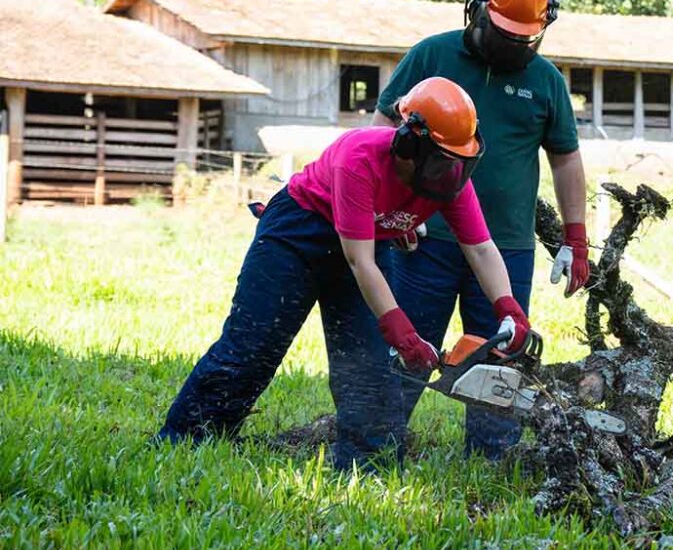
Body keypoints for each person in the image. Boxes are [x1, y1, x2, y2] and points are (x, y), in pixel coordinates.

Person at [155, 77, 531, 470]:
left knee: (369, 365)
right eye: (441, 161)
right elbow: (360, 261)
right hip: (298, 234)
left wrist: (508, 309)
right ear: (409, 142)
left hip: (361, 246)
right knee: (253, 346)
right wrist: (401, 332)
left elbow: (481, 248)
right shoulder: (360, 157)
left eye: (458, 163)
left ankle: (368, 465)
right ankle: (187, 440)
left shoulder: (450, 182)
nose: (449, 174)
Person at [357, 0, 590, 461]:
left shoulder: (546, 81)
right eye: (504, 33)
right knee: (406, 347)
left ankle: (493, 456)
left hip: (504, 246)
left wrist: (576, 237)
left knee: (500, 357)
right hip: (424, 238)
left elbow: (566, 157)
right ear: (479, 10)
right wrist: (382, 213)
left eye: (522, 38)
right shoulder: (432, 55)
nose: (512, 44)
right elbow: (379, 133)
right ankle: (375, 448)